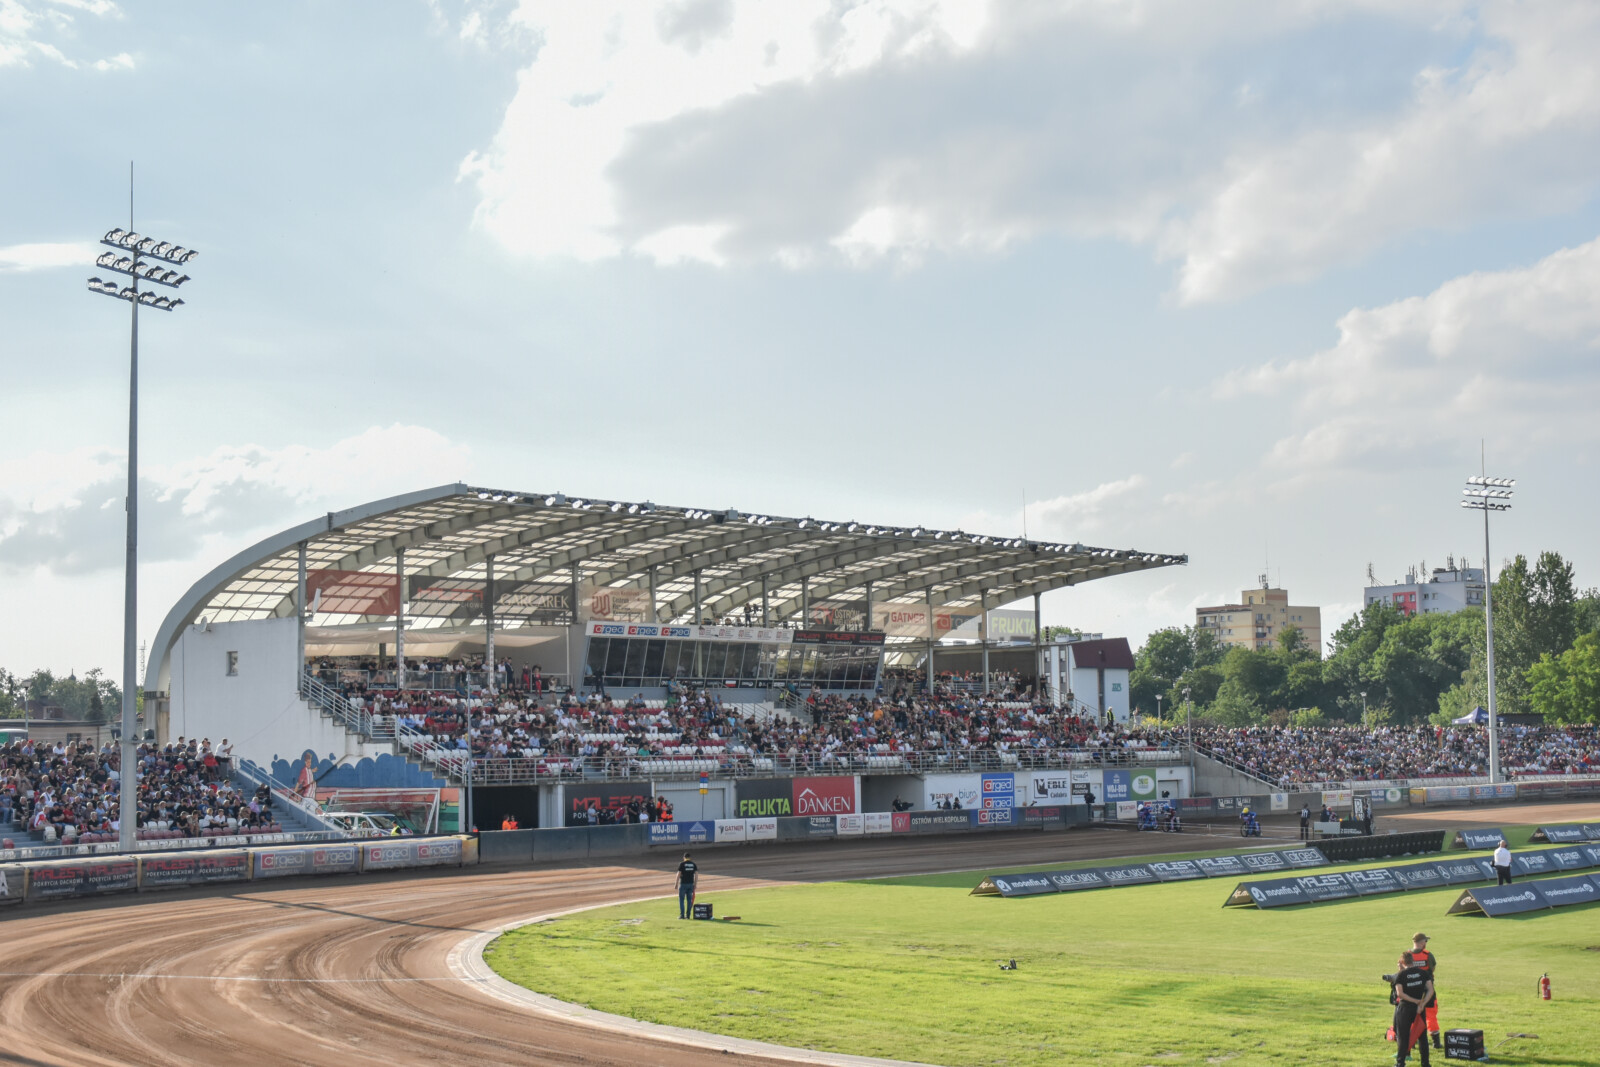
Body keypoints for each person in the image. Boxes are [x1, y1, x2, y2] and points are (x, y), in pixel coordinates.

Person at [1390, 950, 1433, 1067]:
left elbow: (1400, 994)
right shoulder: (1423, 973)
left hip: (1405, 1008)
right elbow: (1430, 990)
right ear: (1413, 960)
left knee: (1403, 1037)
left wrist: (1414, 1001)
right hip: (1419, 1009)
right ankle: (1425, 1063)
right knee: (1422, 1037)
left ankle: (1400, 1063)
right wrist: (1422, 1003)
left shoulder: (1401, 975)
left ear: (1402, 962)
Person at [1410, 933, 1441, 1050]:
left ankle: (1412, 1041)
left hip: (1411, 991)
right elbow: (1432, 969)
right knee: (1431, 1015)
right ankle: (1436, 1042)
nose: (1426, 944)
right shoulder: (1428, 955)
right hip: (1428, 990)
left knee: (1412, 1016)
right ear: (1422, 942)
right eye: (1426, 941)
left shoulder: (1407, 955)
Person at [676, 851, 698, 919]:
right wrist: (695, 884)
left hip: (683, 884)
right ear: (690, 858)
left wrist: (676, 883)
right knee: (689, 900)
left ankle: (682, 915)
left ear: (684, 857)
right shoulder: (693, 864)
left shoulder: (682, 864)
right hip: (690, 884)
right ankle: (688, 915)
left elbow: (678, 874)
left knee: (681, 900)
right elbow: (696, 875)